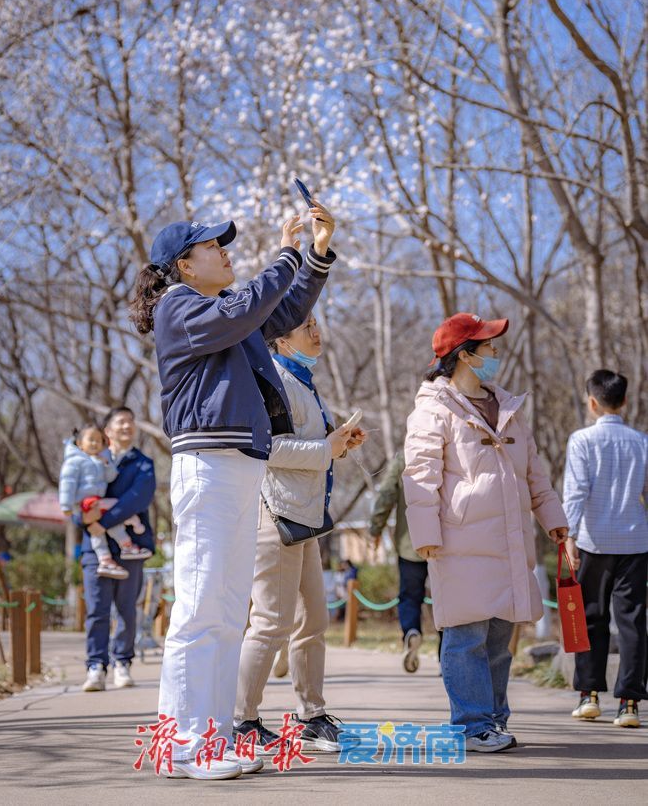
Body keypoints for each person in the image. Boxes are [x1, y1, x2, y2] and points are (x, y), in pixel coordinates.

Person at [130, 202, 338, 781]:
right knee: (200, 611)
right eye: (211, 246)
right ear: (183, 266)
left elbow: (285, 307)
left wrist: (315, 254)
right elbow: (252, 303)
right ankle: (182, 745)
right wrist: (285, 253)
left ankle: (211, 737)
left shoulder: (223, 312)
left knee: (224, 613)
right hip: (209, 465)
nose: (224, 251)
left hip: (240, 467)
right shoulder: (180, 306)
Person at [403, 313, 568, 752]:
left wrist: (554, 518)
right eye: (488, 347)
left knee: (499, 638)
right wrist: (426, 536)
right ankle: (471, 725)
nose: (495, 354)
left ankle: (494, 718)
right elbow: (420, 476)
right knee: (465, 634)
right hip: (459, 542)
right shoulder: (433, 410)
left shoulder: (508, 407)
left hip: (508, 540)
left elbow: (535, 473)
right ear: (465, 356)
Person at [234, 314, 365, 753]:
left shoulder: (303, 379)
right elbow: (266, 448)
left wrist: (338, 443)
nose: (316, 331)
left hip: (306, 517)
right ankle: (242, 720)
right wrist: (326, 447)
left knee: (314, 620)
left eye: (316, 323)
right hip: (275, 516)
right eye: (305, 325)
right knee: (271, 623)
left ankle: (312, 716)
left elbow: (306, 447)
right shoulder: (273, 381)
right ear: (281, 341)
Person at [563, 369, 648, 729]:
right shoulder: (642, 441)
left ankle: (589, 697)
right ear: (625, 401)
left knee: (591, 619)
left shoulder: (582, 440)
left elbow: (577, 491)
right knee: (632, 622)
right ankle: (629, 703)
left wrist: (567, 534)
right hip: (635, 542)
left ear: (592, 402)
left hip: (593, 541)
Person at [74, 407, 156, 692]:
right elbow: (77, 498)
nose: (127, 426)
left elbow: (137, 500)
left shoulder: (143, 463)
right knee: (96, 610)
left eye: (131, 422)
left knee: (126, 609)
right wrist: (82, 520)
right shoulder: (88, 461)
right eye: (120, 422)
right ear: (107, 430)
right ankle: (95, 666)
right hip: (93, 550)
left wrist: (102, 522)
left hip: (130, 547)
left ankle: (123, 662)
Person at [58, 423, 151, 579]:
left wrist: (107, 463)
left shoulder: (98, 461)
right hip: (84, 502)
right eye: (91, 440)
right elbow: (67, 483)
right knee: (115, 507)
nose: (95, 443)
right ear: (80, 444)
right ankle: (133, 523)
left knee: (102, 529)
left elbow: (111, 477)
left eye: (99, 441)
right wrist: (66, 505)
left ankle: (107, 558)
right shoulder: (74, 461)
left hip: (95, 500)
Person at [369, 451, 433, 672]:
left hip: (411, 543)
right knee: (448, 600)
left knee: (409, 596)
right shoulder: (451, 447)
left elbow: (386, 494)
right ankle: (449, 656)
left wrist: (375, 529)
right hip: (447, 543)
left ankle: (411, 631)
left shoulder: (404, 456)